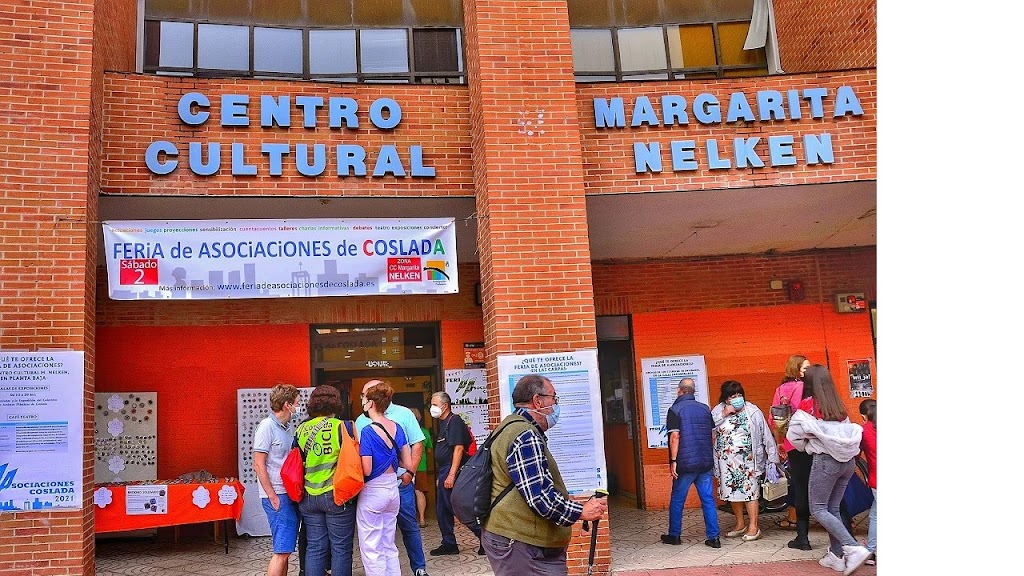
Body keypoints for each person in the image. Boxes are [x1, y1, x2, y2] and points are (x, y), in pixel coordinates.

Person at [480, 374, 607, 576]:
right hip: (520, 541)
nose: (555, 405)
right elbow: (539, 496)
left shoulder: (511, 426)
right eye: (553, 398)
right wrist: (581, 511)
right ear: (538, 401)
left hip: (517, 538)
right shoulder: (525, 434)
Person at [786, 365, 871, 575]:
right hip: (847, 463)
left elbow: (794, 436)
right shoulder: (838, 406)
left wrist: (806, 446)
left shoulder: (807, 406)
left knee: (818, 509)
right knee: (832, 508)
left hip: (825, 462)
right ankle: (835, 556)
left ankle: (851, 547)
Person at [354, 380, 430, 576]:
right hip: (392, 488)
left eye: (364, 397)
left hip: (373, 490)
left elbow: (367, 468)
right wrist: (406, 473)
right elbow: (405, 461)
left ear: (371, 402)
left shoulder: (367, 430)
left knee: (372, 545)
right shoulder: (396, 427)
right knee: (388, 543)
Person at [295, 385, 357, 576]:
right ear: (336, 404)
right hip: (336, 496)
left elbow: (297, 460)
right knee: (341, 548)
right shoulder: (344, 427)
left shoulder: (302, 429)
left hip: (308, 497)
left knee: (315, 547)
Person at [710, 380, 778, 542]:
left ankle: (754, 526)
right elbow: (710, 428)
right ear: (726, 398)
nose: (737, 398)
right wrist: (724, 413)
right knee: (732, 493)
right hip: (726, 462)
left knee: (751, 492)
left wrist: (773, 456)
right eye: (733, 396)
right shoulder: (718, 411)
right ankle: (740, 524)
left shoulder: (752, 410)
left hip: (749, 461)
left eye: (739, 395)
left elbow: (765, 434)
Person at [660, 378, 721, 548]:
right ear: (693, 391)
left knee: (678, 499)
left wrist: (673, 461)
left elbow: (675, 437)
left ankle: (674, 535)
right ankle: (714, 538)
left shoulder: (675, 409)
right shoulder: (704, 409)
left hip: (685, 464)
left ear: (679, 390)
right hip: (705, 461)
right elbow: (713, 434)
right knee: (708, 499)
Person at [253, 384, 301, 576]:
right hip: (277, 494)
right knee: (281, 550)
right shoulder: (267, 427)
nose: (299, 406)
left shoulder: (288, 427)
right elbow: (258, 464)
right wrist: (272, 495)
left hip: (288, 492)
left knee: (286, 549)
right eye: (297, 402)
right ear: (287, 405)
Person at [428, 391, 482, 556]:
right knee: (442, 509)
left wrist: (451, 475)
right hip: (445, 469)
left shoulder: (455, 421)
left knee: (457, 507)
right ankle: (449, 543)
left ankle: (485, 539)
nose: (432, 408)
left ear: (445, 406)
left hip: (453, 469)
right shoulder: (444, 423)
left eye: (435, 405)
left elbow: (458, 448)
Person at [771, 354, 811, 541]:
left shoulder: (780, 388)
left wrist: (780, 440)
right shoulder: (803, 386)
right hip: (806, 440)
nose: (808, 371)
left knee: (797, 483)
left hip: (788, 440)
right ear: (797, 369)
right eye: (805, 368)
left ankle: (797, 526)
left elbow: (774, 418)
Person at [858, 398, 877, 565]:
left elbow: (856, 454)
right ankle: (871, 549)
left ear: (864, 416)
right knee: (875, 514)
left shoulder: (864, 431)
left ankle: (871, 551)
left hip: (877, 479)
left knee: (877, 516)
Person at [410, 407, 433, 528]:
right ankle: (422, 518)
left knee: (406, 493)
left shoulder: (403, 431)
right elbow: (429, 450)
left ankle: (408, 521)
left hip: (407, 466)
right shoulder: (424, 432)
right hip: (421, 466)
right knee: (419, 492)